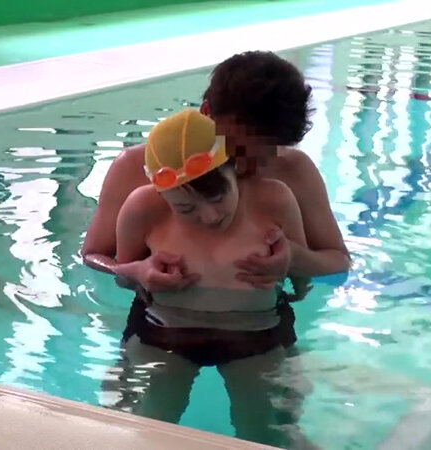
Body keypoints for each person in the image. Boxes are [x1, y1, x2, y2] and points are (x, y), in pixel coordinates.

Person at [111, 108, 312, 446]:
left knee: (262, 433)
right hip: (164, 330)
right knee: (147, 430)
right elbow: (122, 276)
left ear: (234, 168)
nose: (208, 216)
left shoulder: (274, 200)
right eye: (185, 208)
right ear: (161, 194)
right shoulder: (142, 207)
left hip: (257, 332)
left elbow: (302, 278)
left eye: (218, 197)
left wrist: (290, 262)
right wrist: (140, 272)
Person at [81, 50, 349, 297]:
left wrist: (294, 258)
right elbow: (92, 255)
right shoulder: (134, 168)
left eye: (267, 154)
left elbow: (338, 260)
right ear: (207, 113)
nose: (248, 167)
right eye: (237, 150)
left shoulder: (294, 171)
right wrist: (134, 271)